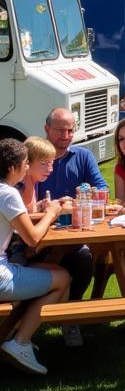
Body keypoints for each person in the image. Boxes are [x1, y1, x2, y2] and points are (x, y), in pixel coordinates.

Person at [34, 108, 108, 344]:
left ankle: (70, 316)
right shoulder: (32, 156)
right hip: (34, 234)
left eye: (70, 130)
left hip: (72, 233)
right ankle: (28, 320)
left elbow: (102, 191)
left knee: (84, 259)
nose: (66, 135)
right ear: (46, 129)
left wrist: (76, 201)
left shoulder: (82, 156)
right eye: (60, 130)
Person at [0, 139, 70, 375]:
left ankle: (17, 336)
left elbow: (16, 225)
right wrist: (50, 214)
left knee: (49, 270)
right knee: (62, 279)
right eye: (25, 163)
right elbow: (32, 239)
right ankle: (20, 342)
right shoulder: (8, 193)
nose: (27, 167)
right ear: (13, 168)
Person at [18, 136, 56, 209]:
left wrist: (41, 206)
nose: (50, 169)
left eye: (51, 163)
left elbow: (28, 210)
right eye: (44, 163)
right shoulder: (18, 187)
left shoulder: (33, 182)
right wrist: (54, 212)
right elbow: (22, 218)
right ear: (27, 163)